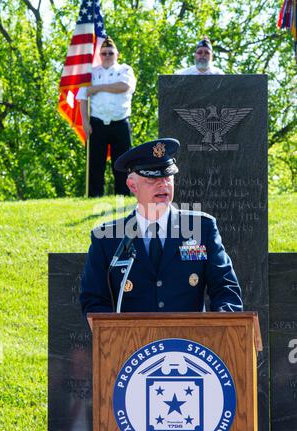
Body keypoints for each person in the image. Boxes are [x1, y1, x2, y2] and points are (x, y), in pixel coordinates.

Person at [80, 138, 243, 316]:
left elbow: (226, 289)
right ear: (132, 185)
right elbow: (94, 300)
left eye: (167, 177)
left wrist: (224, 329)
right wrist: (113, 337)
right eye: (152, 179)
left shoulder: (202, 228)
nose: (162, 184)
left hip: (190, 340)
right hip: (132, 342)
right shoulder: (107, 237)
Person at [76, 36, 136, 197]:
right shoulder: (91, 73)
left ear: (117, 54)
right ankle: (94, 195)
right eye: (104, 53)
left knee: (122, 161)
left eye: (110, 53)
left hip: (120, 122)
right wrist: (85, 122)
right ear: (100, 55)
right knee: (95, 162)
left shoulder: (125, 70)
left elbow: (124, 86)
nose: (107, 56)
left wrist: (97, 88)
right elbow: (82, 98)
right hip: (97, 123)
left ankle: (122, 194)